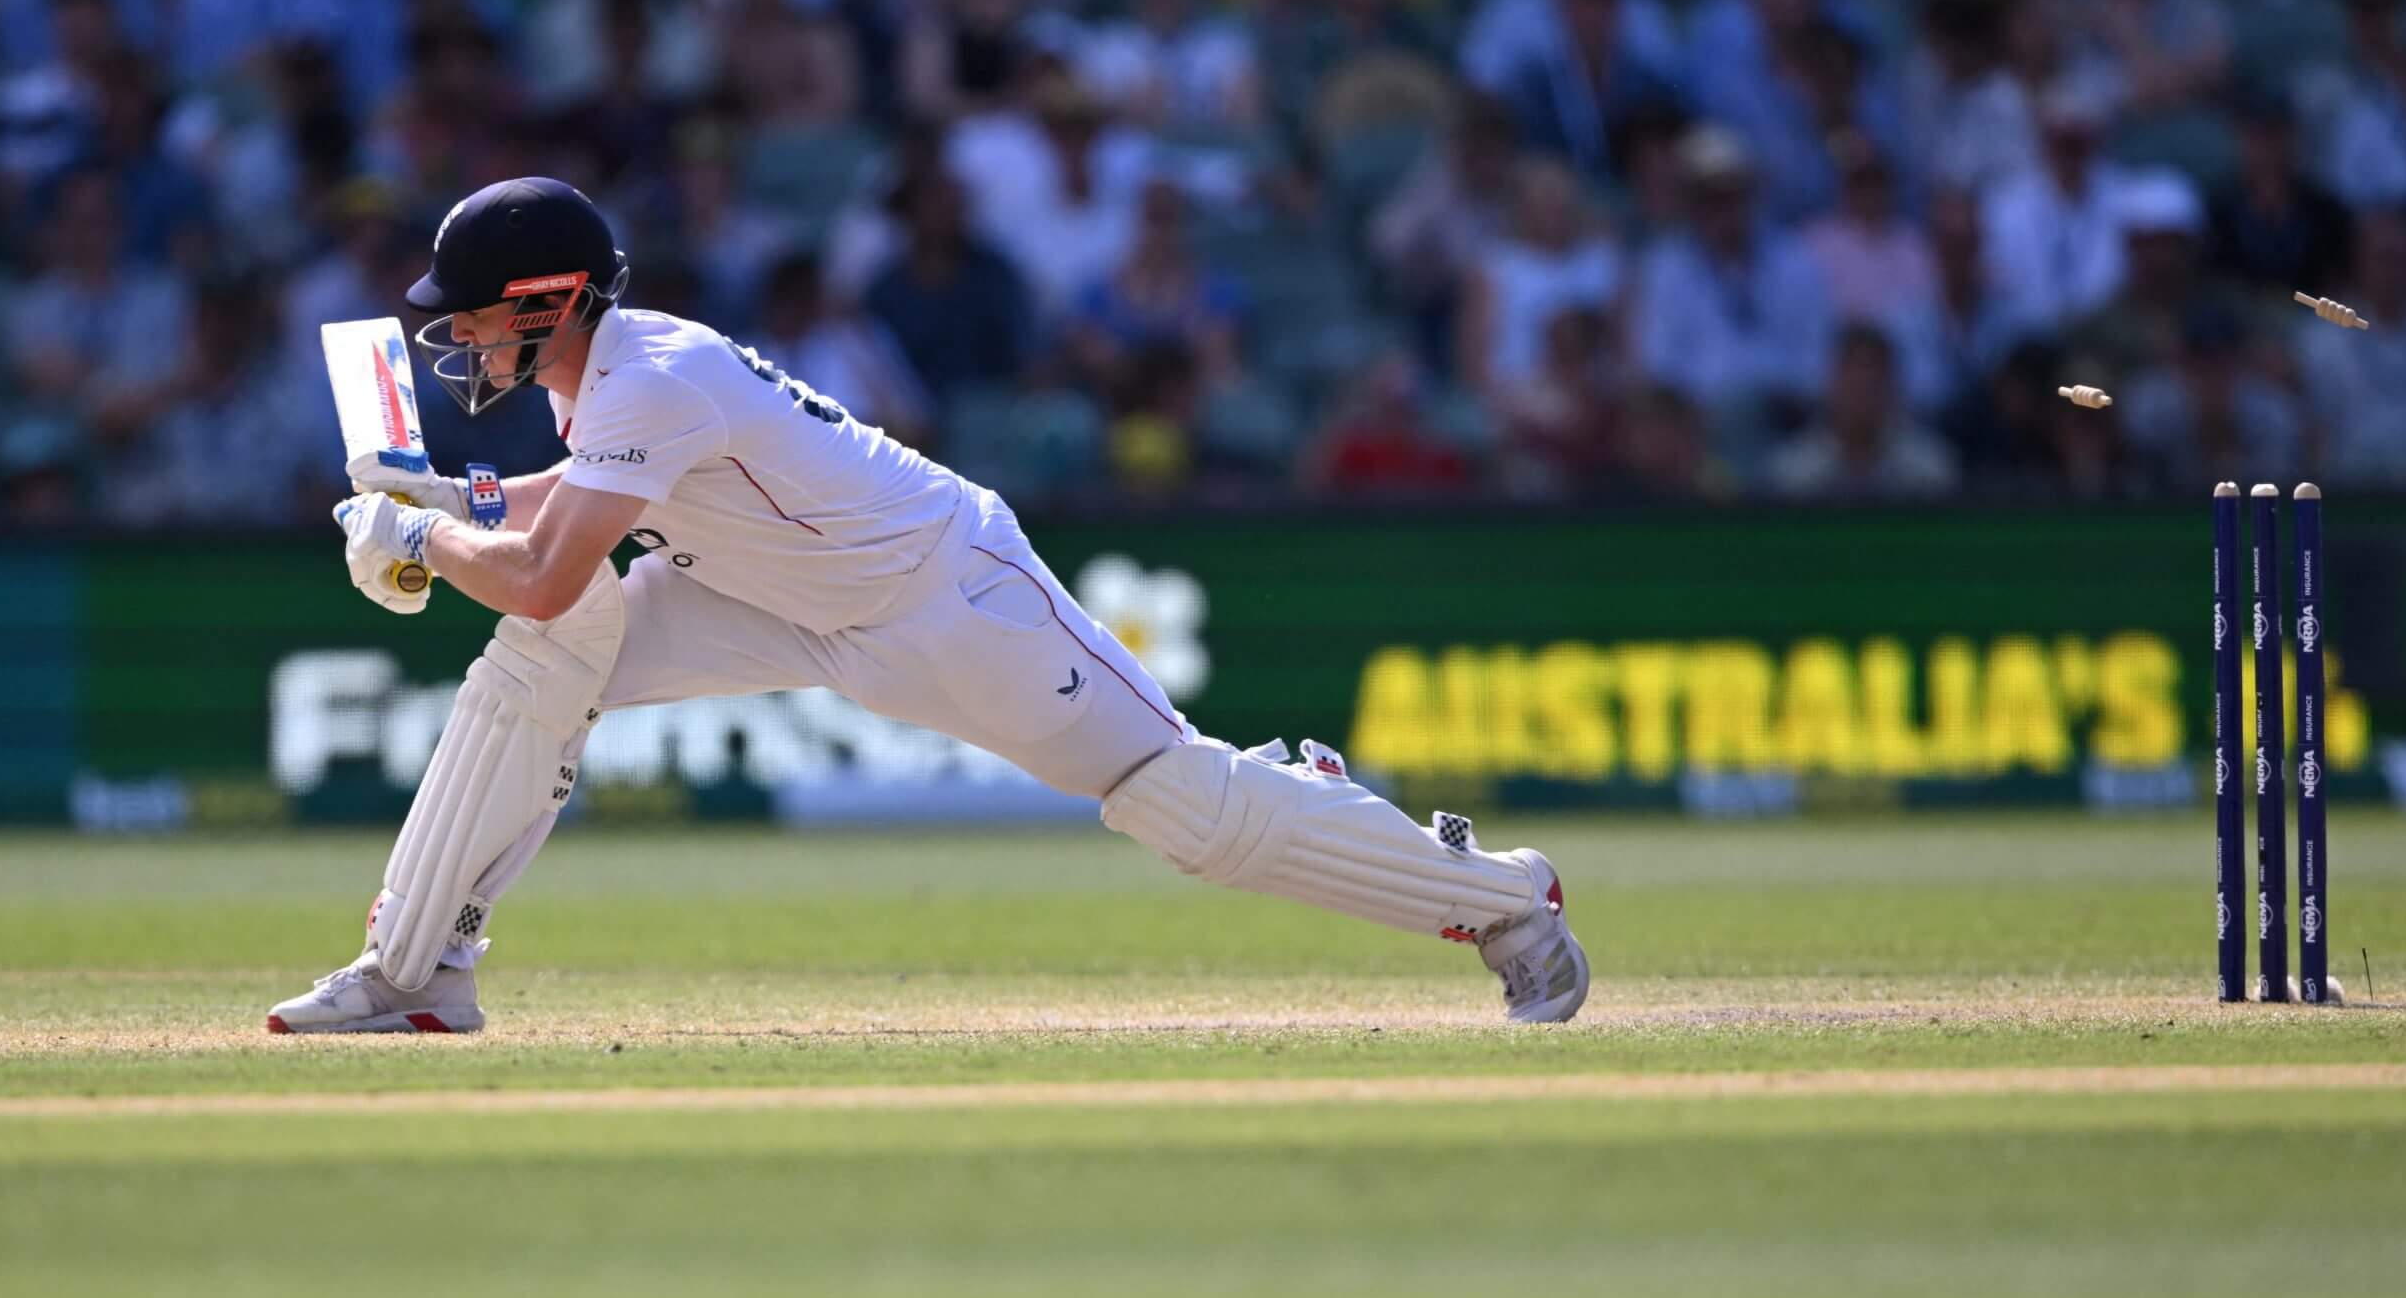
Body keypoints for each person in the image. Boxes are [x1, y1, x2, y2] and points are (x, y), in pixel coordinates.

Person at [272, 177, 1587, 1033]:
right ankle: (416, 977)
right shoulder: (601, 375)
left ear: (552, 301)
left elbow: (556, 555)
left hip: (950, 597)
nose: (458, 342)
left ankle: (1509, 903)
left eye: (478, 316)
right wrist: (444, 496)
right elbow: (570, 522)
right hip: (771, 599)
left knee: (1177, 803)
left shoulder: (651, 374)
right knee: (545, 654)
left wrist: (428, 536)